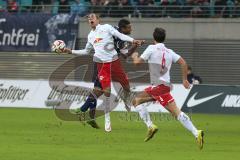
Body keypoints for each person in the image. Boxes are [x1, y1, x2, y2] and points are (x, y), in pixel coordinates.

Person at [62, 13, 143, 132]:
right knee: (104, 90)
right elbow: (86, 51)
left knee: (124, 87)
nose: (90, 20)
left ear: (98, 20)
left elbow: (121, 38)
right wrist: (71, 51)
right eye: (88, 19)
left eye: (92, 18)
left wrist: (133, 41)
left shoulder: (107, 28)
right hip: (101, 64)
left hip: (114, 62)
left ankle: (88, 111)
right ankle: (99, 116)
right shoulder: (90, 36)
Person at [131, 27, 204, 150]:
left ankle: (150, 126)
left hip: (158, 87)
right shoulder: (170, 52)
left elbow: (137, 63)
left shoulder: (151, 48)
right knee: (176, 113)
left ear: (154, 38)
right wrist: (185, 80)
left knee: (136, 101)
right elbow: (183, 63)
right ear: (164, 38)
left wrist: (135, 55)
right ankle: (197, 133)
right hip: (163, 87)